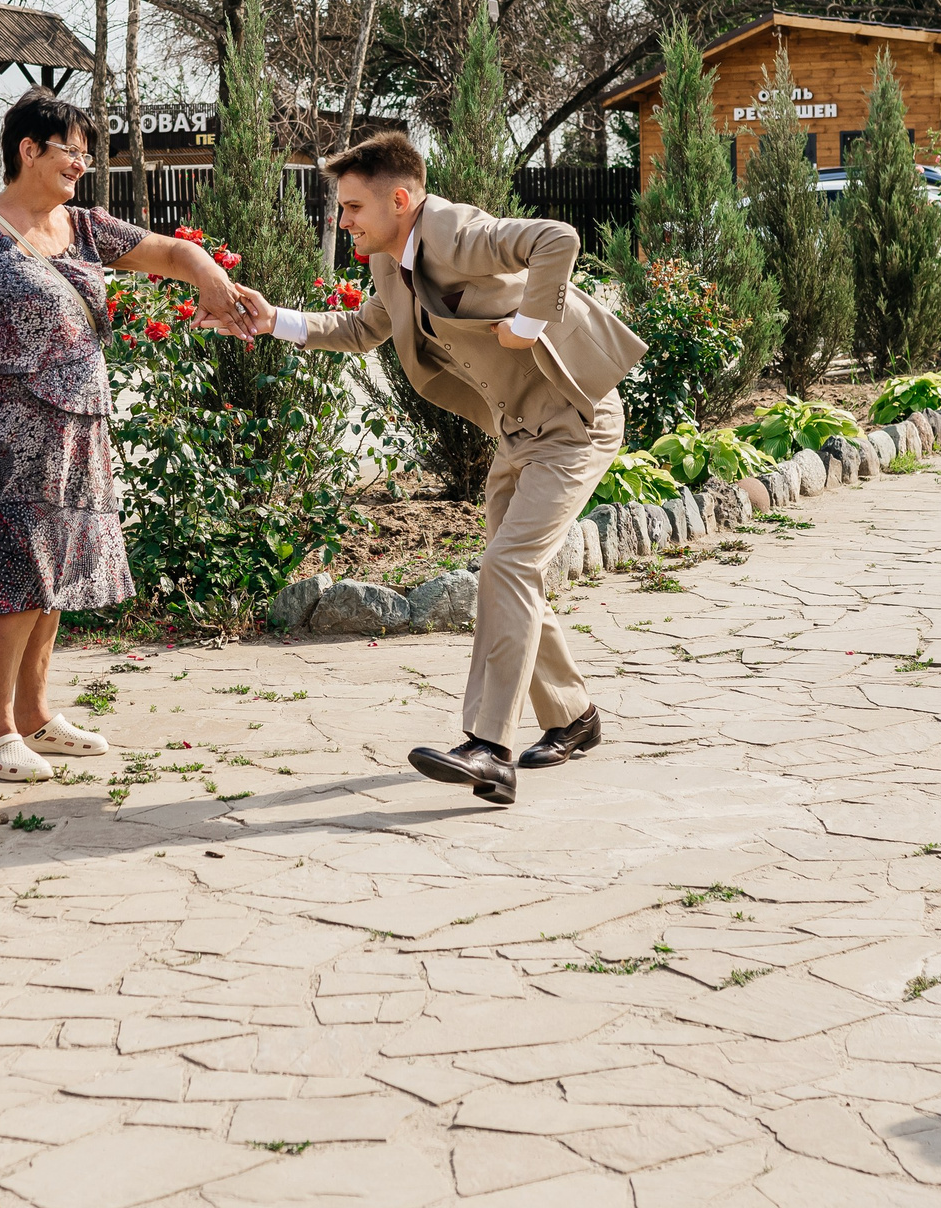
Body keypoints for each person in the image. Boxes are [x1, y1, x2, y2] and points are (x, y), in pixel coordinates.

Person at [210, 129, 645, 804]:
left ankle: (489, 748)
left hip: (574, 421)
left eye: (353, 207)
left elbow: (556, 239)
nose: (344, 220)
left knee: (508, 567)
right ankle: (573, 715)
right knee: (509, 572)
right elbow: (364, 330)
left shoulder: (459, 233)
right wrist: (275, 322)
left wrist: (530, 323)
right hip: (517, 431)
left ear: (401, 200)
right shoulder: (392, 262)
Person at [0, 88, 252, 782]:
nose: (82, 163)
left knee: (57, 571)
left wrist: (208, 274)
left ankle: (34, 715)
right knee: (16, 574)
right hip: (5, 436)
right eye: (71, 150)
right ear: (28, 150)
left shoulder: (84, 226)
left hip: (79, 429)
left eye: (86, 153)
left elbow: (170, 252)